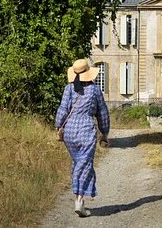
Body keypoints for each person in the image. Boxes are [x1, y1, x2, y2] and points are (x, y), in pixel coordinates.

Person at [55, 58, 110, 217]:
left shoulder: (68, 89)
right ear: (88, 73)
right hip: (86, 130)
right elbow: (102, 113)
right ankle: (79, 200)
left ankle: (80, 199)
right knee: (84, 164)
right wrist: (104, 132)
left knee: (79, 163)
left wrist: (59, 127)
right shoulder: (94, 90)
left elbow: (62, 110)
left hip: (70, 133)